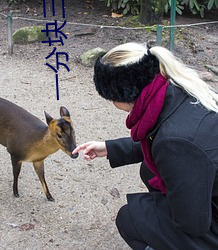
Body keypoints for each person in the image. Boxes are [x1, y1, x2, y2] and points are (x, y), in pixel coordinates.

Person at [72, 42, 218, 250]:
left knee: (130, 218)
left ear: (123, 93)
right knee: (149, 170)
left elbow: (193, 224)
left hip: (209, 222)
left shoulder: (175, 142)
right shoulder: (177, 88)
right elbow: (162, 139)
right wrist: (110, 148)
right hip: (209, 187)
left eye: (111, 98)